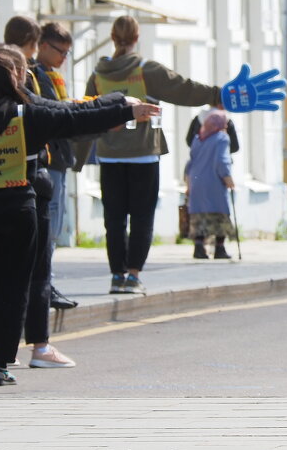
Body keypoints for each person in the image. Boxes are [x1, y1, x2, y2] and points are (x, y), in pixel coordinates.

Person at [0, 45, 157, 387]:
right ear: (11, 79)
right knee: (13, 288)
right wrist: (125, 110)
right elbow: (76, 119)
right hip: (16, 211)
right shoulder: (26, 117)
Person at [76, 15, 229, 295]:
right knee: (142, 217)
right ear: (137, 38)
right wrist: (216, 94)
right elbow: (184, 88)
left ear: (112, 38)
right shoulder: (146, 70)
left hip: (110, 156)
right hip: (143, 155)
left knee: (114, 219)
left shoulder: (97, 76)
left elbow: (85, 116)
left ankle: (116, 275)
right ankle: (133, 276)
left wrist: (78, 157)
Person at [0, 16, 74, 370]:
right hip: (29, 183)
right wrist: (115, 108)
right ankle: (39, 346)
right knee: (37, 269)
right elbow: (57, 115)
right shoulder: (27, 85)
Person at [36, 22, 79, 310]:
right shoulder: (37, 75)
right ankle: (43, 286)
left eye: (67, 53)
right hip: (48, 159)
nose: (64, 58)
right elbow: (56, 114)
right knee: (47, 227)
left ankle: (45, 284)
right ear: (41, 45)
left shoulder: (54, 76)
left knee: (53, 226)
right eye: (59, 51)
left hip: (59, 160)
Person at [185, 110, 236, 260]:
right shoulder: (222, 138)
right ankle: (220, 249)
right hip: (214, 182)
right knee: (220, 215)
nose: (226, 125)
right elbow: (222, 161)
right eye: (224, 122)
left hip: (196, 182)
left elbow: (190, 163)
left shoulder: (197, 139)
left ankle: (199, 248)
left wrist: (188, 183)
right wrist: (228, 179)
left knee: (199, 215)